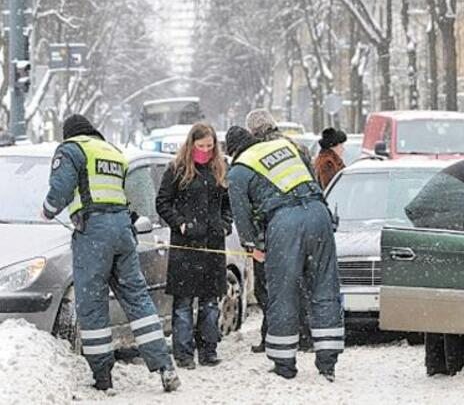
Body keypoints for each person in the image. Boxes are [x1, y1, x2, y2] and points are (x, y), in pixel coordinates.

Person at [40, 114, 180, 392]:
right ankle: (165, 366)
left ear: (69, 133)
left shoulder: (71, 148)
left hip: (94, 232)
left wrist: (47, 209)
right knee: (137, 298)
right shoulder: (112, 152)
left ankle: (102, 376)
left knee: (92, 303)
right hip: (123, 231)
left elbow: (60, 189)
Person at [225, 126, 344, 382]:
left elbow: (242, 215)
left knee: (283, 292)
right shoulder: (286, 147)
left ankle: (284, 363)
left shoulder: (239, 169)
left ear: (233, 151)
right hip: (318, 214)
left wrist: (253, 245)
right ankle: (328, 362)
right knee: (325, 287)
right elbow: (313, 179)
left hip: (284, 223)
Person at [156, 122, 232, 369]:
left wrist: (225, 224)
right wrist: (180, 223)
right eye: (201, 146)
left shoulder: (220, 168)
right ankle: (184, 354)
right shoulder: (177, 169)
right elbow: (163, 202)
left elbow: (228, 205)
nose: (206, 150)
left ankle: (208, 351)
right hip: (186, 247)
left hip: (213, 246)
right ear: (191, 144)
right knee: (183, 304)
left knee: (211, 303)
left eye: (210, 146)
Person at [244, 108, 313, 354]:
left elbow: (253, 197)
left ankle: (272, 336)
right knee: (299, 282)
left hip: (270, 229)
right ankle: (305, 336)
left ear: (253, 131)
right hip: (301, 224)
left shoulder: (255, 154)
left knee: (268, 287)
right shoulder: (297, 148)